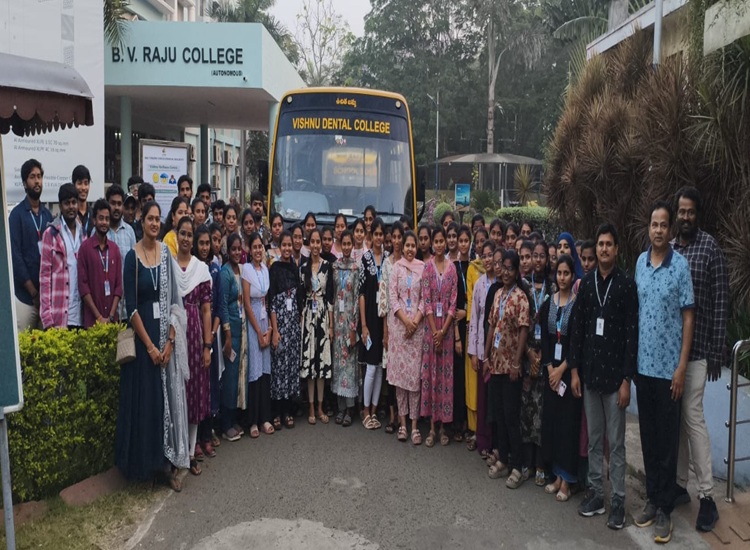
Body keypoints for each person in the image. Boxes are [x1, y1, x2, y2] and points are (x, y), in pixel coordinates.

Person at [633, 201, 695, 543]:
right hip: (644, 368)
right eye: (654, 224)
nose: (658, 230)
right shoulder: (640, 263)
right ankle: (653, 498)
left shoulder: (680, 266)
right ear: (649, 228)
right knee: (649, 437)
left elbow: (688, 317)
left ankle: (665, 510)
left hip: (670, 371)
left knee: (668, 441)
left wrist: (682, 366)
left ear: (671, 230)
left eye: (663, 225)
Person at [116, 200, 188, 491]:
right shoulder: (131, 258)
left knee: (166, 401)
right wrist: (150, 347)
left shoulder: (166, 254)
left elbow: (175, 303)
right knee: (146, 405)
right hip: (144, 342)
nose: (155, 223)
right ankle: (145, 469)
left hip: (165, 341)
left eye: (158, 219)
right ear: (142, 221)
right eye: (150, 219)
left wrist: (169, 342)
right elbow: (131, 308)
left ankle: (166, 466)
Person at [570, 223, 638, 530]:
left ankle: (619, 500)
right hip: (590, 377)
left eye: (609, 244)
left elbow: (631, 336)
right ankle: (597, 494)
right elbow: (578, 330)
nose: (604, 249)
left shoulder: (626, 285)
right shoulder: (586, 285)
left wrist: (627, 380)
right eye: (600, 244)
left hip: (615, 382)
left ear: (616, 249)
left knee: (617, 444)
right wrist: (575, 371)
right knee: (595, 440)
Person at [671, 186, 727, 532]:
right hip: (669, 355)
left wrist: (718, 349)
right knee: (678, 420)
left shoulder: (711, 249)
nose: (686, 217)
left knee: (693, 418)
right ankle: (680, 485)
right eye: (682, 211)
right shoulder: (670, 249)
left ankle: (707, 497)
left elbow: (721, 301)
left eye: (691, 211)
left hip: (698, 351)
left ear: (698, 214)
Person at [483, 250, 530, 490]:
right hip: (496, 364)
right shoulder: (498, 294)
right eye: (504, 267)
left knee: (512, 417)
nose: (506, 272)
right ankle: (502, 459)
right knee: (499, 415)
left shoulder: (521, 297)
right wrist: (486, 356)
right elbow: (492, 326)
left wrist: (516, 362)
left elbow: (523, 331)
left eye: (511, 268)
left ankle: (518, 466)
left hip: (511, 366)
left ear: (517, 271)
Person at [173, 216, 213, 475]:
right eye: (183, 233)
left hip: (196, 336)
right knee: (177, 392)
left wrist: (207, 345)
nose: (186, 238)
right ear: (176, 235)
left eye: (190, 234)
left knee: (195, 393)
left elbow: (206, 310)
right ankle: (177, 452)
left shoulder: (201, 270)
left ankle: (190, 452)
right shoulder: (168, 266)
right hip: (174, 335)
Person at [539, 254, 581, 502]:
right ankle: (556, 475)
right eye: (559, 273)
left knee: (568, 426)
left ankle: (567, 480)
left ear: (572, 275)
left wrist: (562, 369)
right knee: (553, 424)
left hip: (568, 373)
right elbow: (545, 339)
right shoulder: (549, 303)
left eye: (566, 273)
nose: (562, 277)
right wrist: (549, 369)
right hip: (551, 374)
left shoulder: (577, 305)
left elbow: (576, 342)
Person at [387, 231, 425, 445]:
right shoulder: (396, 268)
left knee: (414, 380)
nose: (410, 249)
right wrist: (405, 321)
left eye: (413, 245)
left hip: (417, 331)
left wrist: (415, 322)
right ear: (402, 247)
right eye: (407, 245)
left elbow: (425, 299)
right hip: (400, 331)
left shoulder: (423, 268)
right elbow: (393, 298)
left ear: (416, 247)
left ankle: (415, 426)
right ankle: (402, 424)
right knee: (401, 381)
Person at [421, 227, 457, 447]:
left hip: (448, 332)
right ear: (433, 244)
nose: (440, 244)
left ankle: (444, 427)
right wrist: (435, 331)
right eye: (436, 241)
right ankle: (432, 428)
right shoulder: (427, 268)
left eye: (442, 240)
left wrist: (443, 331)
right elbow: (426, 301)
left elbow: (453, 302)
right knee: (432, 377)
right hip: (431, 330)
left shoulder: (452, 269)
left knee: (445, 378)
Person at [193, 224, 226, 457]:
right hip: (194, 334)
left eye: (208, 243)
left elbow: (219, 306)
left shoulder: (215, 269)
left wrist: (212, 334)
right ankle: (194, 439)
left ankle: (206, 436)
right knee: (196, 387)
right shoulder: (191, 268)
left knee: (210, 386)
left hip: (210, 335)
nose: (205, 247)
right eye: (202, 243)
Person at [9, 158, 53, 331]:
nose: (37, 181)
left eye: (39, 176)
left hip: (46, 299)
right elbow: (15, 256)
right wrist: (33, 292)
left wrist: (43, 294)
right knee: (25, 344)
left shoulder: (47, 215)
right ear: (24, 183)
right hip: (25, 298)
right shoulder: (17, 215)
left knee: (47, 344)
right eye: (32, 177)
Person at [522, 239, 552, 487]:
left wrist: (541, 357)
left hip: (547, 357)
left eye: (542, 256)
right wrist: (529, 354)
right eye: (535, 255)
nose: (538, 260)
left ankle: (542, 464)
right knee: (526, 409)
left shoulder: (553, 286)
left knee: (542, 413)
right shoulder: (524, 286)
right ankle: (527, 463)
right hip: (526, 354)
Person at [269, 230, 304, 429]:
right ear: (279, 246)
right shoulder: (274, 269)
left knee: (291, 368)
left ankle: (288, 411)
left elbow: (298, 299)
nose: (287, 248)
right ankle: (277, 412)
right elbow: (272, 302)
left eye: (290, 245)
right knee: (279, 369)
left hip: (293, 327)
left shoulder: (294, 268)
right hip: (280, 325)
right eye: (284, 245)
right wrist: (275, 330)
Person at [242, 232, 274, 437]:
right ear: (249, 249)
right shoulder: (246, 270)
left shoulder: (265, 270)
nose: (257, 250)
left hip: (264, 319)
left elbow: (267, 301)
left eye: (260, 246)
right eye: (254, 247)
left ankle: (265, 418)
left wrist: (269, 329)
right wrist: (259, 332)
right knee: (254, 371)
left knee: (264, 370)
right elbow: (247, 303)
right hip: (253, 321)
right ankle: (252, 421)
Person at [299, 229, 333, 424]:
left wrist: (331, 326)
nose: (315, 245)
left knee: (321, 364)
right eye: (312, 241)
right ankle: (311, 406)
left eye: (318, 242)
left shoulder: (327, 266)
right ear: (308, 244)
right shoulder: (303, 267)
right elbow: (300, 296)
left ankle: (320, 406)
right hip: (308, 318)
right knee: (310, 363)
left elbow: (330, 297)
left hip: (322, 316)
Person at [40, 184, 83, 329]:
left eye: (74, 202)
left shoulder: (84, 234)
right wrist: (47, 317)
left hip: (80, 316)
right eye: (66, 203)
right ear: (60, 206)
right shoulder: (51, 234)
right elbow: (44, 277)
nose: (71, 207)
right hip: (59, 316)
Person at [467, 240, 496, 458]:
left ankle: (497, 442)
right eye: (484, 256)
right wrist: (474, 352)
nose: (487, 259)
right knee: (483, 398)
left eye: (490, 255)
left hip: (499, 350)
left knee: (496, 399)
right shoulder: (479, 284)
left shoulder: (503, 283)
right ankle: (483, 440)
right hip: (481, 346)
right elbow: (475, 319)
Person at [359, 219, 388, 430]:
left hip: (384, 320)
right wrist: (363, 325)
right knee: (370, 367)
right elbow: (361, 294)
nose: (379, 237)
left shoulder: (388, 259)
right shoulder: (365, 258)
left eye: (381, 234)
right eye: (376, 234)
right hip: (370, 318)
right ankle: (365, 410)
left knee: (379, 368)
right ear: (372, 235)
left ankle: (375, 410)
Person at [77, 199, 123, 328]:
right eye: (101, 218)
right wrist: (99, 318)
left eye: (107, 219)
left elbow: (119, 286)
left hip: (112, 322)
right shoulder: (85, 248)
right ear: (94, 220)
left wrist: (111, 316)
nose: (104, 222)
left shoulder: (114, 249)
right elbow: (83, 286)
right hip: (92, 322)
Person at [219, 234, 247, 442]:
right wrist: (227, 335)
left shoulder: (242, 270)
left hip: (242, 329)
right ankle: (225, 424)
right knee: (228, 378)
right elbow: (222, 305)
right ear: (228, 251)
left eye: (239, 249)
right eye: (233, 249)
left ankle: (234, 418)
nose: (237, 252)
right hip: (231, 333)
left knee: (238, 375)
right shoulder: (225, 273)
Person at [331, 230, 361, 427]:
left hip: (350, 322)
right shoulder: (335, 267)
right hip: (337, 323)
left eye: (350, 243)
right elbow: (332, 296)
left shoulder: (356, 269)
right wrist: (331, 325)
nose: (347, 246)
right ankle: (340, 408)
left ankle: (350, 409)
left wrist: (353, 327)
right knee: (338, 365)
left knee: (349, 365)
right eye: (344, 243)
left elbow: (357, 299)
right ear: (340, 245)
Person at [379, 221, 405, 435]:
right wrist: (385, 333)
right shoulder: (386, 264)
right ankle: (392, 414)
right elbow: (384, 300)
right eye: (393, 237)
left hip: (406, 324)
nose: (396, 241)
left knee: (403, 371)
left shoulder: (408, 263)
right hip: (390, 323)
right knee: (390, 371)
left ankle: (403, 413)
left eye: (399, 237)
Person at [453, 225, 472, 440]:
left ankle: (470, 422)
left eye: (467, 240)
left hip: (472, 327)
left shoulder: (475, 267)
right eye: (461, 240)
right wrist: (456, 337)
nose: (464, 244)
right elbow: (451, 303)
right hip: (458, 328)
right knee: (459, 376)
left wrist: (466, 312)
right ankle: (458, 423)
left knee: (470, 376)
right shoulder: (454, 267)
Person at [106, 184, 137, 265]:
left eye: (119, 204)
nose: (116, 207)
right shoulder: (98, 230)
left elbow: (134, 263)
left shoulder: (130, 231)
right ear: (107, 204)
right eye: (113, 203)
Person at [72, 165, 93, 237]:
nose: (83, 188)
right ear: (73, 185)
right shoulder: (70, 214)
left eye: (86, 183)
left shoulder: (94, 214)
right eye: (80, 183)